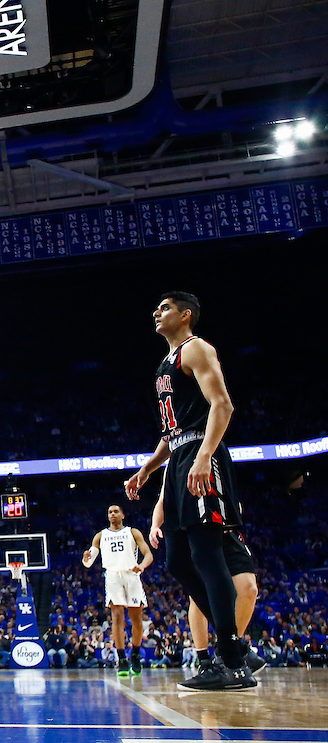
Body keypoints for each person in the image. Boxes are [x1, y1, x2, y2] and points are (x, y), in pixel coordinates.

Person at [125, 292, 255, 691]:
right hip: (182, 455)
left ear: (185, 315)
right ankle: (235, 645)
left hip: (203, 454)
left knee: (206, 553)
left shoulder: (196, 348)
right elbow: (171, 432)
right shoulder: (165, 364)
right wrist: (147, 468)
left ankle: (231, 661)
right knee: (177, 562)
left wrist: (204, 456)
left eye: (164, 308)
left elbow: (223, 405)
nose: (155, 312)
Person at [148, 486, 267, 675]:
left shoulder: (218, 457)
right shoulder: (177, 462)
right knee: (199, 596)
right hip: (199, 531)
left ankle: (229, 648)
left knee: (249, 589)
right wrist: (155, 525)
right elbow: (163, 499)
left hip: (227, 531)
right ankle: (204, 658)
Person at [81, 504, 153, 676]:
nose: (112, 514)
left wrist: (141, 566)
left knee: (136, 620)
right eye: (110, 512)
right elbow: (89, 563)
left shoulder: (132, 532)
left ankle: (135, 653)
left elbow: (148, 554)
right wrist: (85, 559)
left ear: (123, 515)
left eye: (116, 511)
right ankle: (121, 659)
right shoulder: (100, 536)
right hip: (112, 576)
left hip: (131, 575)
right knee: (117, 618)